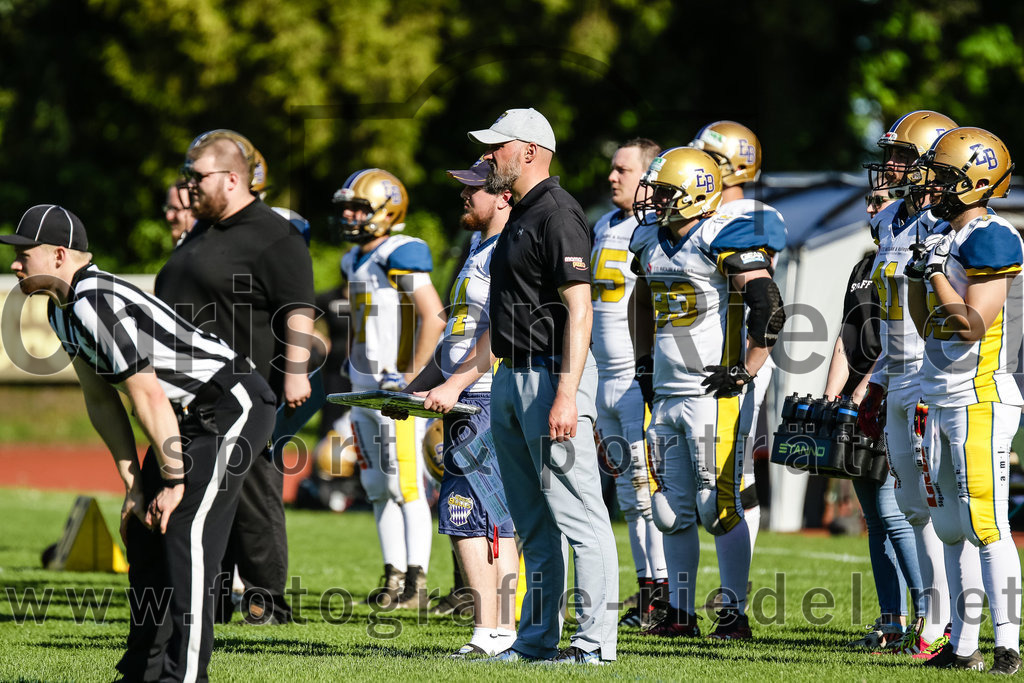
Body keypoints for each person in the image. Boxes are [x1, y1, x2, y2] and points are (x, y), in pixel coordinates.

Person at [2, 204, 277, 681]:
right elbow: (102, 401)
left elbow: (145, 391)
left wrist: (173, 479)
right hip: (182, 420)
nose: (15, 263)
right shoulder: (61, 308)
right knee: (147, 541)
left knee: (187, 532)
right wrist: (135, 487)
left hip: (231, 404)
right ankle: (142, 672)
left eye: (25, 253)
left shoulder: (93, 300)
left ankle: (184, 676)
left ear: (60, 254)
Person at [467, 107, 619, 664]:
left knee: (581, 516)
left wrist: (564, 392)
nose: (488, 156)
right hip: (512, 376)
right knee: (532, 522)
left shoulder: (557, 213)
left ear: (529, 150)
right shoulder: (522, 215)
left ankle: (595, 646)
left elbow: (580, 311)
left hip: (552, 375)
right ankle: (535, 643)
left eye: (497, 147)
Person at [154, 130, 316, 625]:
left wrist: (295, 372)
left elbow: (298, 307)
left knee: (249, 496)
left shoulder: (273, 234)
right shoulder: (202, 232)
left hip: (244, 394)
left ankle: (268, 600)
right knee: (199, 494)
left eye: (197, 177)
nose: (188, 187)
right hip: (186, 394)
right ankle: (211, 598)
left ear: (230, 178)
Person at [631, 146, 786, 640]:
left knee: (716, 505)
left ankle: (734, 613)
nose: (653, 200)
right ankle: (680, 613)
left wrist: (746, 369)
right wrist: (643, 362)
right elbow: (643, 303)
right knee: (668, 510)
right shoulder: (649, 240)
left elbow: (767, 303)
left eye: (664, 192)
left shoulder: (722, 233)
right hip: (667, 391)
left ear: (696, 195)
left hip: (712, 393)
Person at [386, 158, 519, 656]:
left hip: (485, 399)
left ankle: (492, 631)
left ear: (503, 196)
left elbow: (501, 331)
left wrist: (454, 387)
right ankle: (499, 630)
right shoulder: (476, 245)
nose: (464, 197)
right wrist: (419, 388)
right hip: (467, 395)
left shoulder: (508, 247)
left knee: (472, 516)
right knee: (486, 519)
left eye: (474, 190)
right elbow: (459, 335)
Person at [905, 126, 1022, 674]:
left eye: (946, 175)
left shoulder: (992, 237)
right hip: (937, 392)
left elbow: (972, 324)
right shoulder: (942, 237)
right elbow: (923, 324)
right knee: (951, 527)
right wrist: (918, 278)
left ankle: (1008, 644)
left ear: (976, 182)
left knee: (987, 524)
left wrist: (933, 275)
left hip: (978, 396)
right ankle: (964, 646)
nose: (933, 184)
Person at [857, 110, 959, 657]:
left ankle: (949, 624)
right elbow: (890, 313)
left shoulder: (949, 222)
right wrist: (875, 379)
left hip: (935, 380)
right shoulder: (888, 217)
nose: (889, 165)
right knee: (910, 504)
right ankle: (931, 616)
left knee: (945, 509)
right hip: (896, 378)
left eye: (900, 155)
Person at [333, 168, 446, 609]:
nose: (349, 215)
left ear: (387, 208)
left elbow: (433, 315)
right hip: (363, 386)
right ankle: (393, 574)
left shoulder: (402, 252)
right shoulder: (352, 258)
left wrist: (413, 376)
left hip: (393, 391)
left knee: (407, 486)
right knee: (376, 486)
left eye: (359, 207)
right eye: (347, 206)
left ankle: (416, 581)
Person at [822, 188, 925, 651]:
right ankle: (891, 622)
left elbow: (903, 335)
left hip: (889, 394)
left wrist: (867, 391)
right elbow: (845, 337)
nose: (871, 207)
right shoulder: (865, 264)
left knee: (892, 513)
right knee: (874, 517)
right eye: (869, 199)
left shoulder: (911, 256)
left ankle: (929, 618)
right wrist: (831, 397)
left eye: (881, 198)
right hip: (857, 399)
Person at [590, 137, 668, 629]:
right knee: (624, 493)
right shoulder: (602, 225)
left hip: (637, 375)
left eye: (624, 169)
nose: (613, 177)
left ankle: (663, 591)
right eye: (612, 168)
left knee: (647, 489)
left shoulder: (657, 229)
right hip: (603, 376)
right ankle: (646, 588)